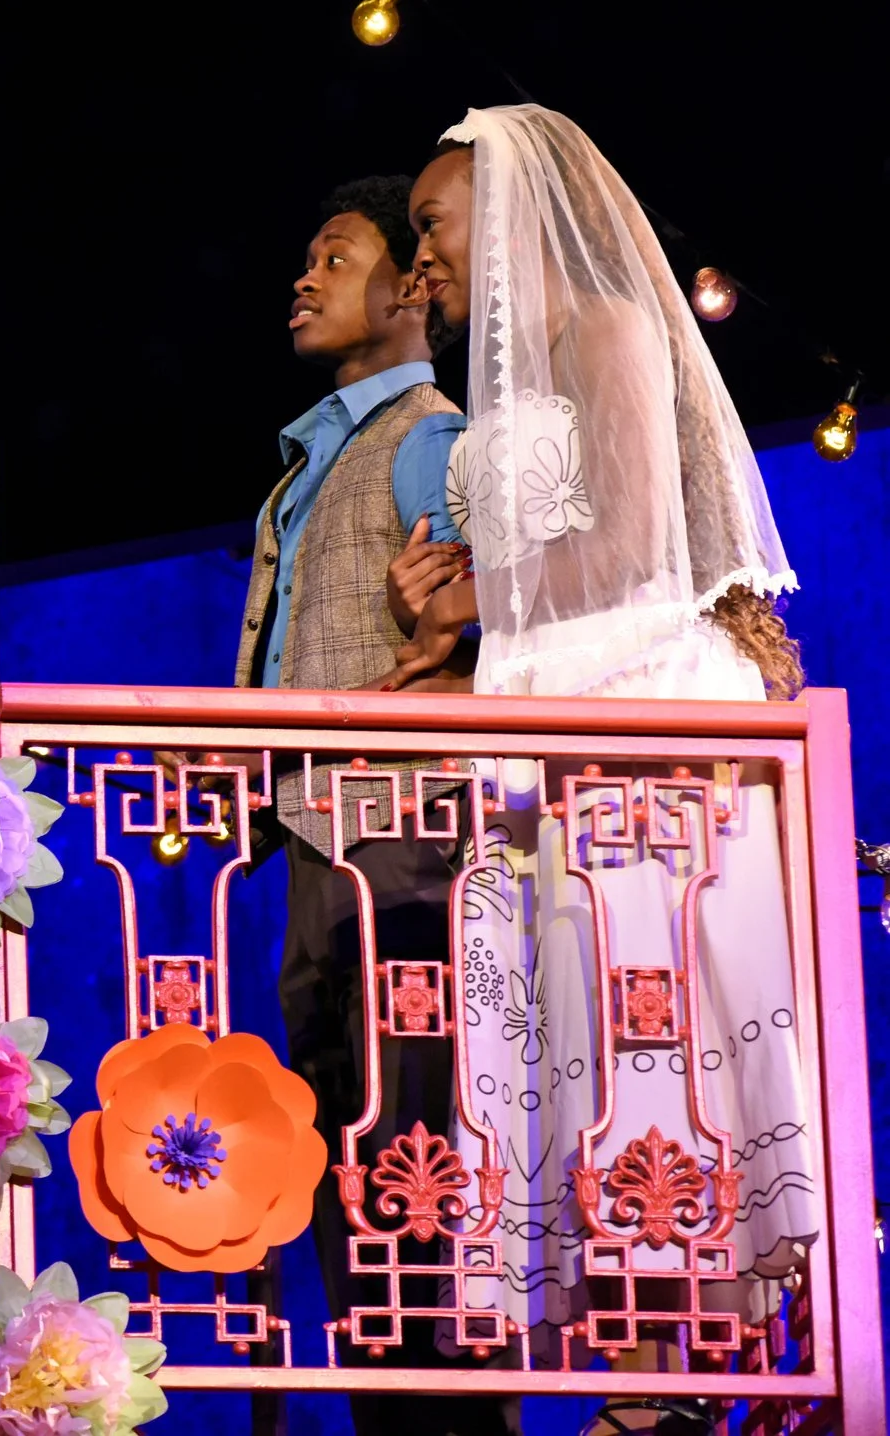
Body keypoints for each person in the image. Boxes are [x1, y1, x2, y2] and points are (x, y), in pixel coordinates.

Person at [391, 106, 817, 1429]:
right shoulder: (511, 380)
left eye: (433, 225)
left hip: (639, 704)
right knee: (574, 1033)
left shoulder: (615, 334)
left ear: (508, 207)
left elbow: (636, 549)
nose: (424, 262)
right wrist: (465, 610)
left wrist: (470, 611)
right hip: (548, 710)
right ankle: (629, 1373)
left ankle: (661, 1379)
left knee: (653, 1025)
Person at [234, 177, 512, 1435]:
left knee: (409, 1154)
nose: (303, 277)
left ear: (409, 286)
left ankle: (445, 1413)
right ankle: (388, 1404)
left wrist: (451, 639)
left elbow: (508, 608)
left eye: (332, 255)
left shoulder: (425, 436)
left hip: (402, 842)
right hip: (320, 840)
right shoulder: (320, 454)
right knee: (348, 1145)